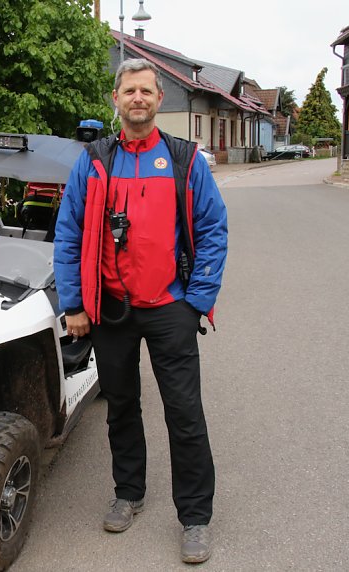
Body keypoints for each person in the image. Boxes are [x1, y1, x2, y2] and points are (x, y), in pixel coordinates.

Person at [53, 58, 227, 564]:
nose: (138, 98)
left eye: (147, 91)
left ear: (159, 99)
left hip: (171, 306)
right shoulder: (94, 160)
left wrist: (197, 297)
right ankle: (128, 493)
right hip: (110, 311)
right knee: (122, 408)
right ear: (116, 99)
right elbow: (68, 235)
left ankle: (195, 517)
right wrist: (74, 305)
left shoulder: (184, 159)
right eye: (129, 90)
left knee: (185, 415)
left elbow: (213, 229)